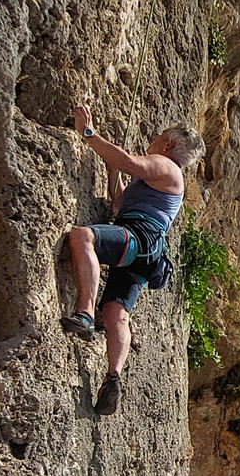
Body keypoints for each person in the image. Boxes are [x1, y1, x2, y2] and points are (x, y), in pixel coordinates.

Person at [61, 104, 204, 415]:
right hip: (148, 253)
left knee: (82, 236)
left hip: (138, 236)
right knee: (117, 314)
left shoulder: (166, 166)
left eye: (159, 136)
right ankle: (113, 377)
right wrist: (113, 171)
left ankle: (84, 313)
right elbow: (119, 203)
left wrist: (88, 133)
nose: (153, 139)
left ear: (169, 144)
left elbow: (128, 162)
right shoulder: (163, 180)